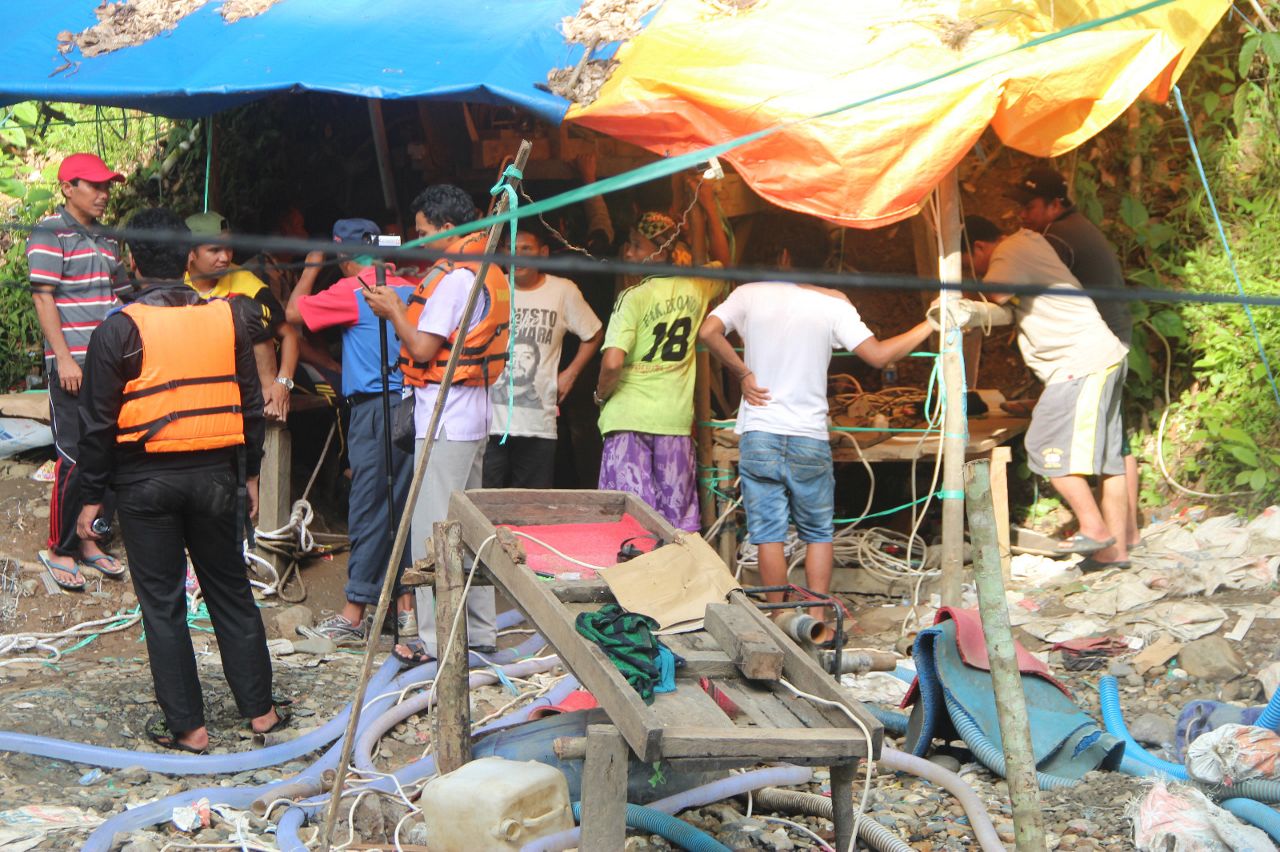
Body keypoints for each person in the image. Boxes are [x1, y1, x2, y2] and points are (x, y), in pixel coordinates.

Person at [74, 208, 283, 753]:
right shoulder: (229, 318)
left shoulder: (118, 330)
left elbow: (96, 428)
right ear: (189, 258)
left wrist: (90, 501)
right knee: (231, 592)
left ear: (132, 261)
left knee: (163, 605)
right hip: (218, 477)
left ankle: (190, 730)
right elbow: (251, 405)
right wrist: (251, 474)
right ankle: (261, 714)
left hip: (146, 486)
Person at [698, 213, 934, 619]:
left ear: (783, 255)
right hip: (809, 436)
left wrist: (743, 373)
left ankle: (779, 617)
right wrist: (928, 325)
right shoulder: (832, 302)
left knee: (767, 533)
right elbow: (878, 356)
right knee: (818, 533)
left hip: (761, 432)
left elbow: (707, 332)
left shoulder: (749, 293)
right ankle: (819, 620)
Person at [364, 185, 510, 662]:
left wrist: (391, 311)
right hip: (471, 420)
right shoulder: (483, 270)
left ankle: (433, 640)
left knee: (435, 531)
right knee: (471, 528)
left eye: (425, 232)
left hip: (445, 422)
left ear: (449, 229)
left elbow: (423, 349)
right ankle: (481, 632)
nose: (420, 240)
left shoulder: (452, 280)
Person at [962, 215, 1130, 570]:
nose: (974, 269)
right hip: (1101, 355)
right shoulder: (1029, 242)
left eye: (970, 262)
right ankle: (1115, 552)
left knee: (1043, 446)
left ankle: (1095, 529)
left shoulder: (1008, 249)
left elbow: (998, 291)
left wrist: (968, 291)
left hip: (1079, 363)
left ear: (979, 247)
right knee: (1108, 459)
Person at [284, 219, 418, 646]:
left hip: (375, 410)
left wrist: (310, 267)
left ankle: (354, 613)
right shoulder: (412, 287)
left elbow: (291, 314)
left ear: (342, 252)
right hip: (414, 405)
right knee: (402, 506)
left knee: (367, 506)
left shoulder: (351, 290)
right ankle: (406, 609)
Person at [1009, 167, 1141, 549]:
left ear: (1054, 204)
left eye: (1030, 207)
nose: (1023, 216)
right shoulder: (1079, 226)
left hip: (1094, 344)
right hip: (1116, 335)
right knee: (1116, 446)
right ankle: (1124, 539)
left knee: (1080, 446)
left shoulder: (1054, 239)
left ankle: (1102, 532)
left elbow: (1037, 289)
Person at [28, 153, 128, 590]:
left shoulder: (108, 238)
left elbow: (122, 297)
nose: (103, 194)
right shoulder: (51, 232)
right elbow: (43, 297)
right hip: (73, 361)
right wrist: (64, 357)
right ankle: (60, 547)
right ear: (68, 188)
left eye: (107, 186)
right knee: (72, 456)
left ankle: (91, 542)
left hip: (109, 361)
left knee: (106, 451)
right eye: (94, 186)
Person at [593, 205, 727, 531]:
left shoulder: (632, 297)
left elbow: (612, 361)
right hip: (674, 421)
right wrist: (707, 209)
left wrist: (600, 394)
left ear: (662, 250)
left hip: (626, 419)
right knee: (676, 522)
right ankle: (675, 581)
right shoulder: (697, 285)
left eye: (637, 245)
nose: (628, 251)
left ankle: (633, 581)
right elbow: (726, 262)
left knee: (628, 523)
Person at [485, 225, 603, 488]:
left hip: (539, 423)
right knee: (483, 504)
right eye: (510, 250)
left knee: (531, 506)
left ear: (543, 253)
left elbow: (593, 334)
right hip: (488, 421)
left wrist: (570, 374)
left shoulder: (563, 291)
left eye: (525, 250)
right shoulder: (491, 286)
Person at [185, 211, 300, 421]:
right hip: (194, 383)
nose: (225, 257)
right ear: (191, 253)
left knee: (247, 312)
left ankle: (269, 402)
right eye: (215, 250)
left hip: (245, 384)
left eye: (229, 248)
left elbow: (289, 335)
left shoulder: (247, 283)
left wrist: (283, 382)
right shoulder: (174, 284)